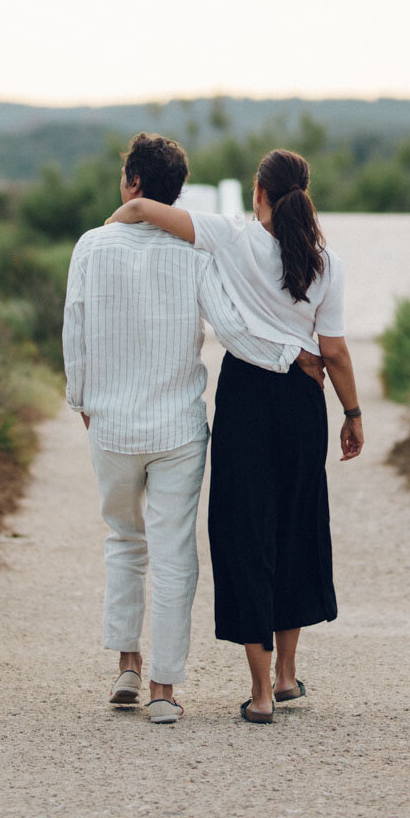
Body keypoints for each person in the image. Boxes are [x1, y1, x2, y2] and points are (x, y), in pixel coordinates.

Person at [63, 133, 324, 725]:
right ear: (175, 191)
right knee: (176, 554)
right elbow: (232, 328)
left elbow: (72, 327)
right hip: (178, 427)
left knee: (123, 541)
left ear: (132, 182)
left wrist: (81, 398)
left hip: (111, 423)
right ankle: (163, 690)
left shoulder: (90, 246)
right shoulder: (195, 253)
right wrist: (294, 356)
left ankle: (126, 661)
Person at [108, 147, 364, 724]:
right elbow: (336, 352)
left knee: (246, 532)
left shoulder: (231, 237)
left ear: (259, 193)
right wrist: (352, 413)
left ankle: (261, 694)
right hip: (303, 406)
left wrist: (117, 219)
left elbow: (151, 210)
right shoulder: (327, 262)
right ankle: (288, 674)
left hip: (247, 399)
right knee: (294, 526)